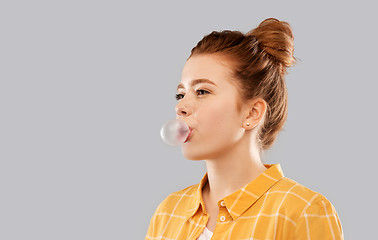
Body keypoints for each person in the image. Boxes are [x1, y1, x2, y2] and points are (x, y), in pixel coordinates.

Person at [146, 18, 344, 240]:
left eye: (202, 91)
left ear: (251, 113)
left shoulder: (302, 210)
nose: (180, 107)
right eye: (181, 94)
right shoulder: (168, 211)